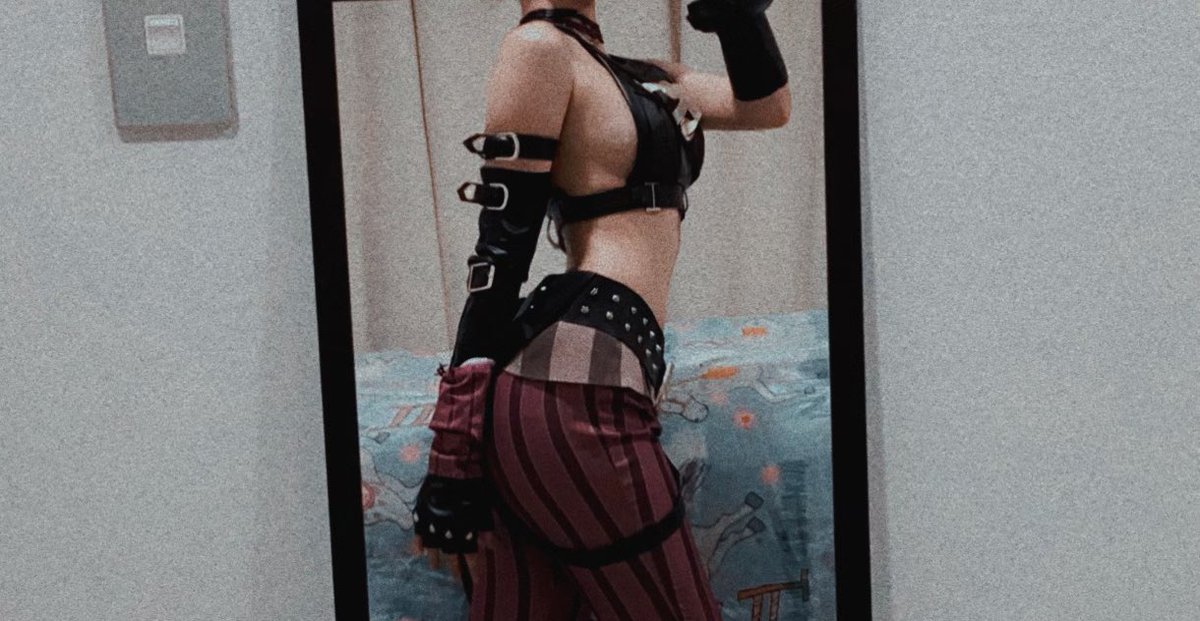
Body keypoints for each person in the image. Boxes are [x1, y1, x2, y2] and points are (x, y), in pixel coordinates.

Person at [412, 1, 791, 618]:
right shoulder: (538, 48)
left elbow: (767, 107)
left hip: (573, 389)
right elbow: (500, 253)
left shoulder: (641, 76)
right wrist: (452, 453)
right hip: (574, 396)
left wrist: (738, 13)